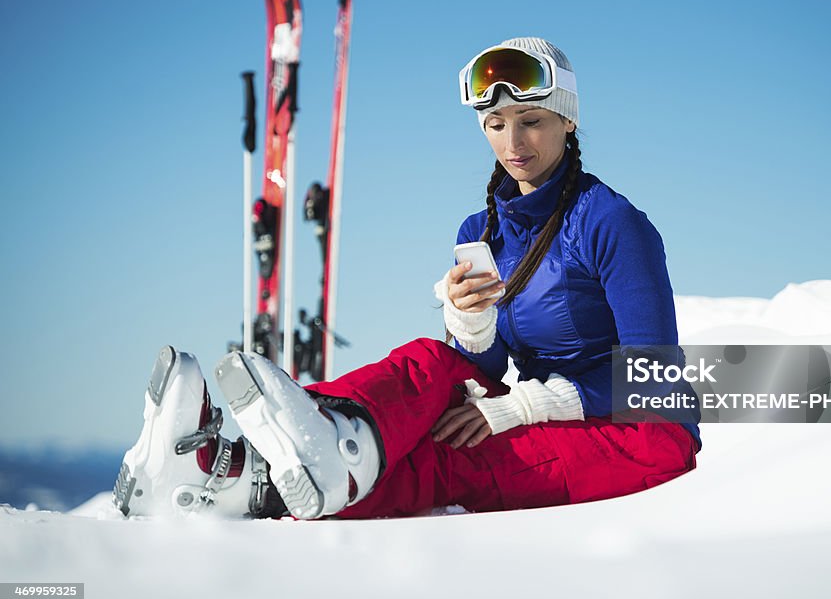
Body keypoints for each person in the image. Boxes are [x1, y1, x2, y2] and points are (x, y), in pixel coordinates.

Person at [113, 37, 700, 520]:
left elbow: (658, 381)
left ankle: (250, 487)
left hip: (643, 434)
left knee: (450, 457)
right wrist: (470, 325)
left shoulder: (613, 223)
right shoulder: (483, 228)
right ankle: (302, 435)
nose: (513, 142)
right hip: (544, 409)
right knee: (430, 360)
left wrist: (525, 407)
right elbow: (484, 370)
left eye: (532, 121)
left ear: (567, 123)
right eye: (495, 123)